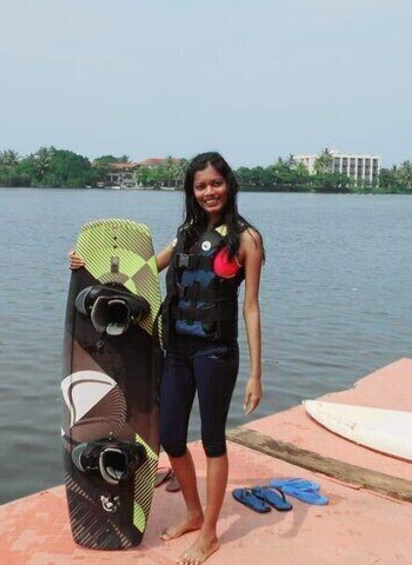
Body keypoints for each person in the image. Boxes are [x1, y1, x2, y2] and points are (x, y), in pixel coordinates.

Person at [70, 151, 264, 565]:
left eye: (215, 183)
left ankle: (210, 533)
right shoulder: (186, 235)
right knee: (172, 438)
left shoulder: (247, 239)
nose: (209, 192)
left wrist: (256, 374)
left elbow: (251, 308)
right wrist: (87, 267)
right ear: (191, 192)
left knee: (212, 440)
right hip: (176, 350)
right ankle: (195, 514)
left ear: (228, 184)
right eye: (200, 186)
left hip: (216, 353)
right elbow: (141, 272)